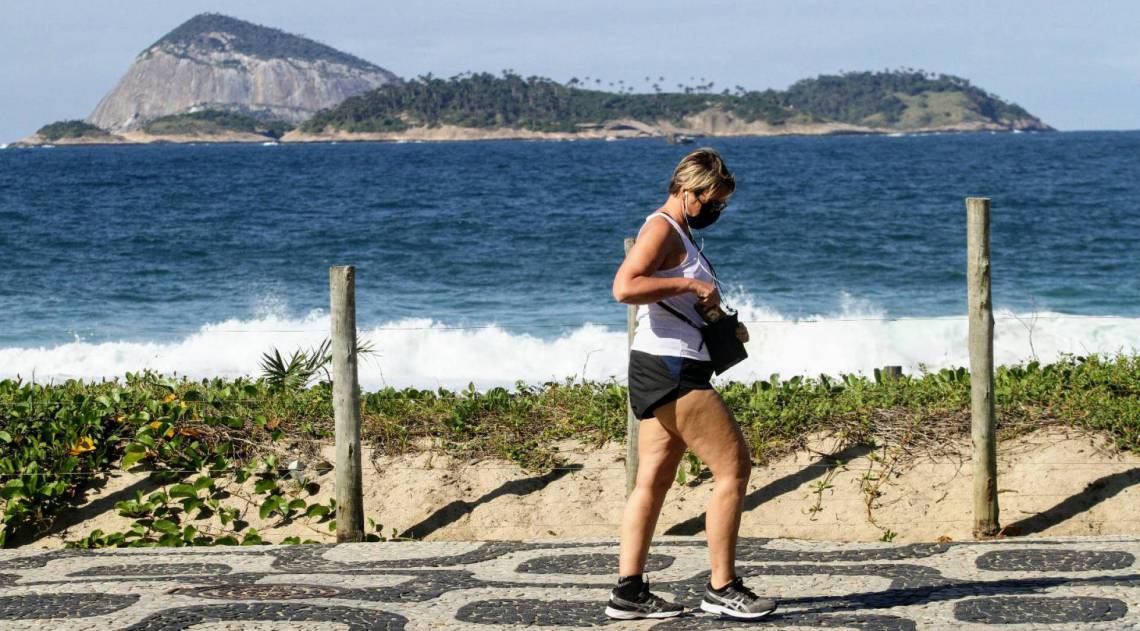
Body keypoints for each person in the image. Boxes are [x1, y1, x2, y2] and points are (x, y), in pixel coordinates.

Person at [605, 148, 776, 620]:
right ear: (687, 192)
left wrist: (721, 323)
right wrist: (688, 287)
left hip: (663, 363)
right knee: (734, 468)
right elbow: (625, 287)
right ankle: (722, 587)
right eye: (712, 201)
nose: (716, 210)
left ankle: (629, 592)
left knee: (653, 481)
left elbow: (674, 297)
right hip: (671, 368)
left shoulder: (678, 231)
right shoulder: (660, 226)